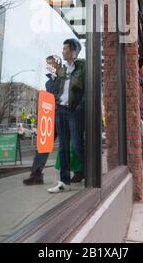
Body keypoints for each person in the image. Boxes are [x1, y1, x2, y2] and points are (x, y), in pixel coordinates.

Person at [48, 39, 85, 193]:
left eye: (65, 49)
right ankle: (64, 181)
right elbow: (53, 89)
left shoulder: (82, 67)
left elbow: (86, 88)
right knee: (63, 148)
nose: (62, 51)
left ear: (73, 51)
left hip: (74, 111)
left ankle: (89, 174)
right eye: (63, 48)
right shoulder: (62, 70)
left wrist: (80, 106)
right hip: (61, 110)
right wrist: (53, 77)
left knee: (77, 145)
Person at [23, 55, 62, 185]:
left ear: (57, 64)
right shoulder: (48, 82)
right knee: (43, 145)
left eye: (51, 64)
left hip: (63, 115)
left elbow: (66, 95)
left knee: (68, 145)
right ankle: (36, 174)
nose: (49, 67)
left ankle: (78, 173)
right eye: (47, 64)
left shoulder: (64, 77)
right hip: (50, 117)